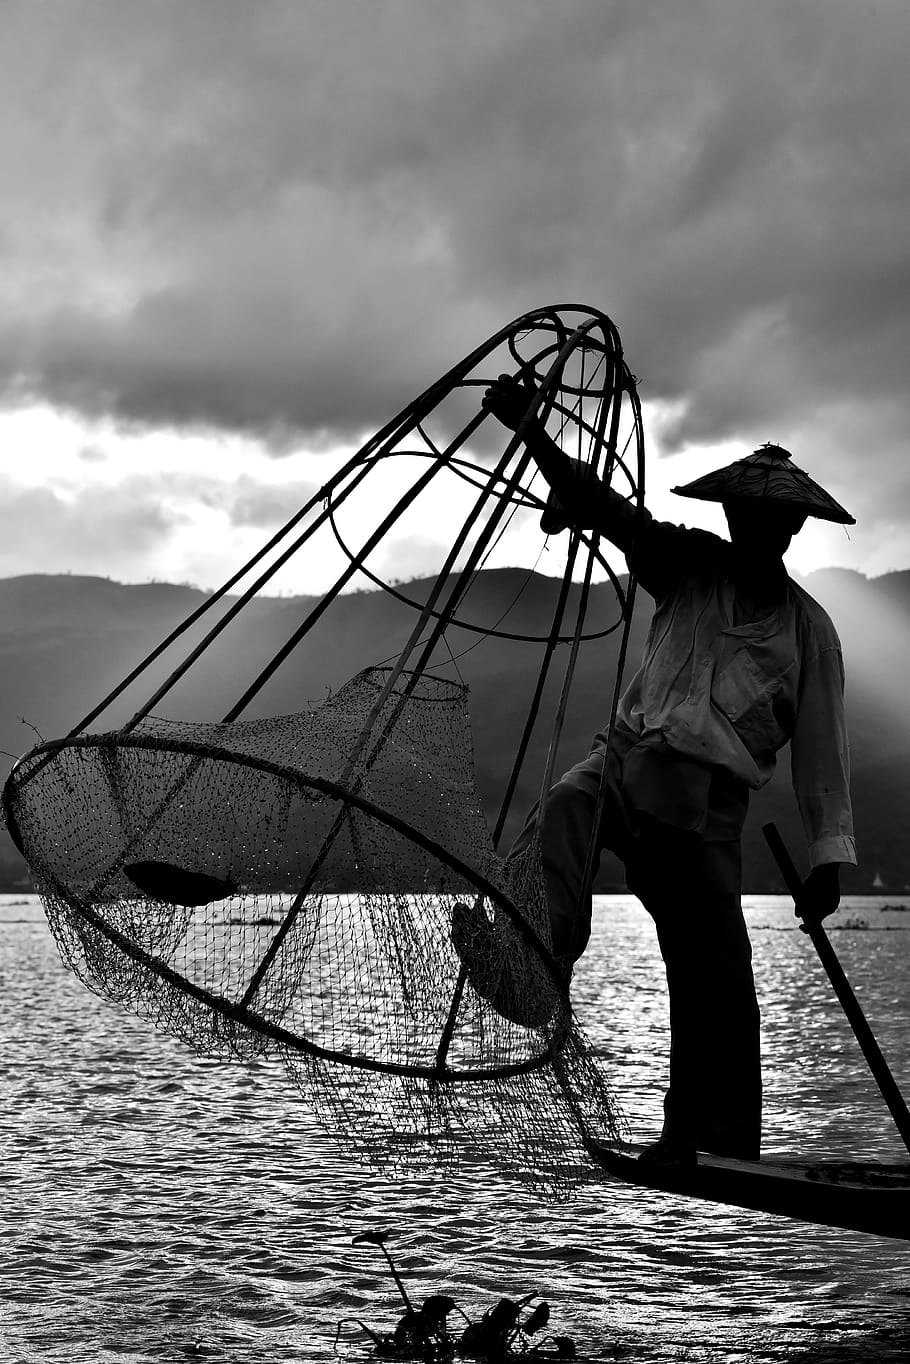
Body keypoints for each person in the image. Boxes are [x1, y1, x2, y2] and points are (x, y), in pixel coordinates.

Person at [456, 374, 856, 1166]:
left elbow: (822, 750)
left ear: (791, 530)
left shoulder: (810, 630)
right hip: (630, 763)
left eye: (774, 521)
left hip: (707, 809)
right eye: (747, 516)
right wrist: (533, 430)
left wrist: (827, 860)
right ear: (731, 517)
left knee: (712, 973)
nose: (757, 529)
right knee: (567, 808)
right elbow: (610, 512)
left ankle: (706, 1136)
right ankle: (537, 968)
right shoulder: (687, 564)